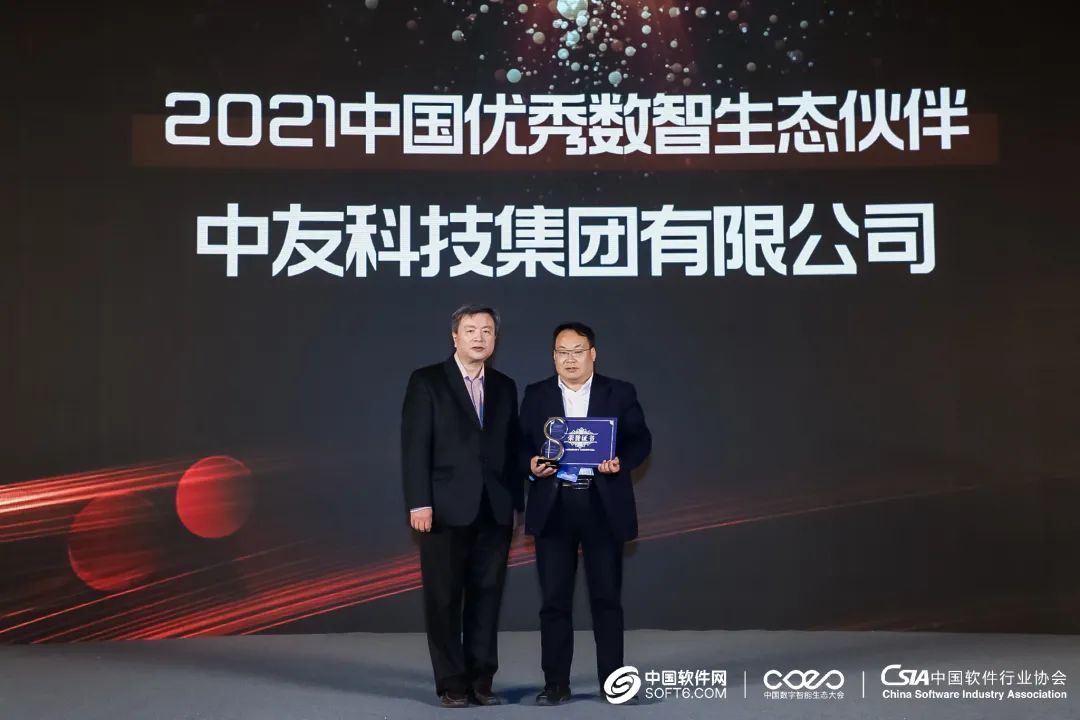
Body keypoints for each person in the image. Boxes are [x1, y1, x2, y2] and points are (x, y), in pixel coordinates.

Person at [518, 322, 652, 705]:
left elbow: (641, 440)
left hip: (601, 506)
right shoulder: (537, 394)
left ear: (593, 354)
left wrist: (620, 461)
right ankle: (555, 685)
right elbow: (519, 444)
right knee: (554, 601)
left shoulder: (619, 392)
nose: (570, 359)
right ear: (553, 356)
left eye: (578, 351)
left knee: (606, 599)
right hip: (554, 507)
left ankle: (613, 683)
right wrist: (531, 465)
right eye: (563, 352)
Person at [401, 304, 522, 708]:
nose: (479, 337)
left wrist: (517, 502)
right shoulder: (427, 381)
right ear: (455, 336)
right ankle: (452, 682)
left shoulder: (505, 386)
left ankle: (481, 679)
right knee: (444, 597)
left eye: (487, 330)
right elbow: (415, 447)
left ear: (495, 339)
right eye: (471, 330)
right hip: (443, 509)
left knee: (488, 595)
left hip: (495, 508)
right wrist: (419, 502)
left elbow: (511, 449)